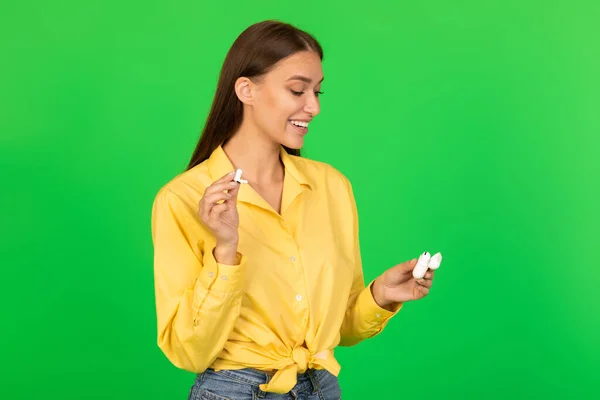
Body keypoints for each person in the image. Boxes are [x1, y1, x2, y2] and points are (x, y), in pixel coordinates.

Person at [151, 20, 436, 400]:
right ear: (246, 90)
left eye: (317, 92)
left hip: (321, 387)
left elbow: (340, 327)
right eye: (297, 90)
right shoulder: (183, 199)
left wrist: (380, 294)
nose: (313, 107)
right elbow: (189, 351)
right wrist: (225, 250)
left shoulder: (331, 187)